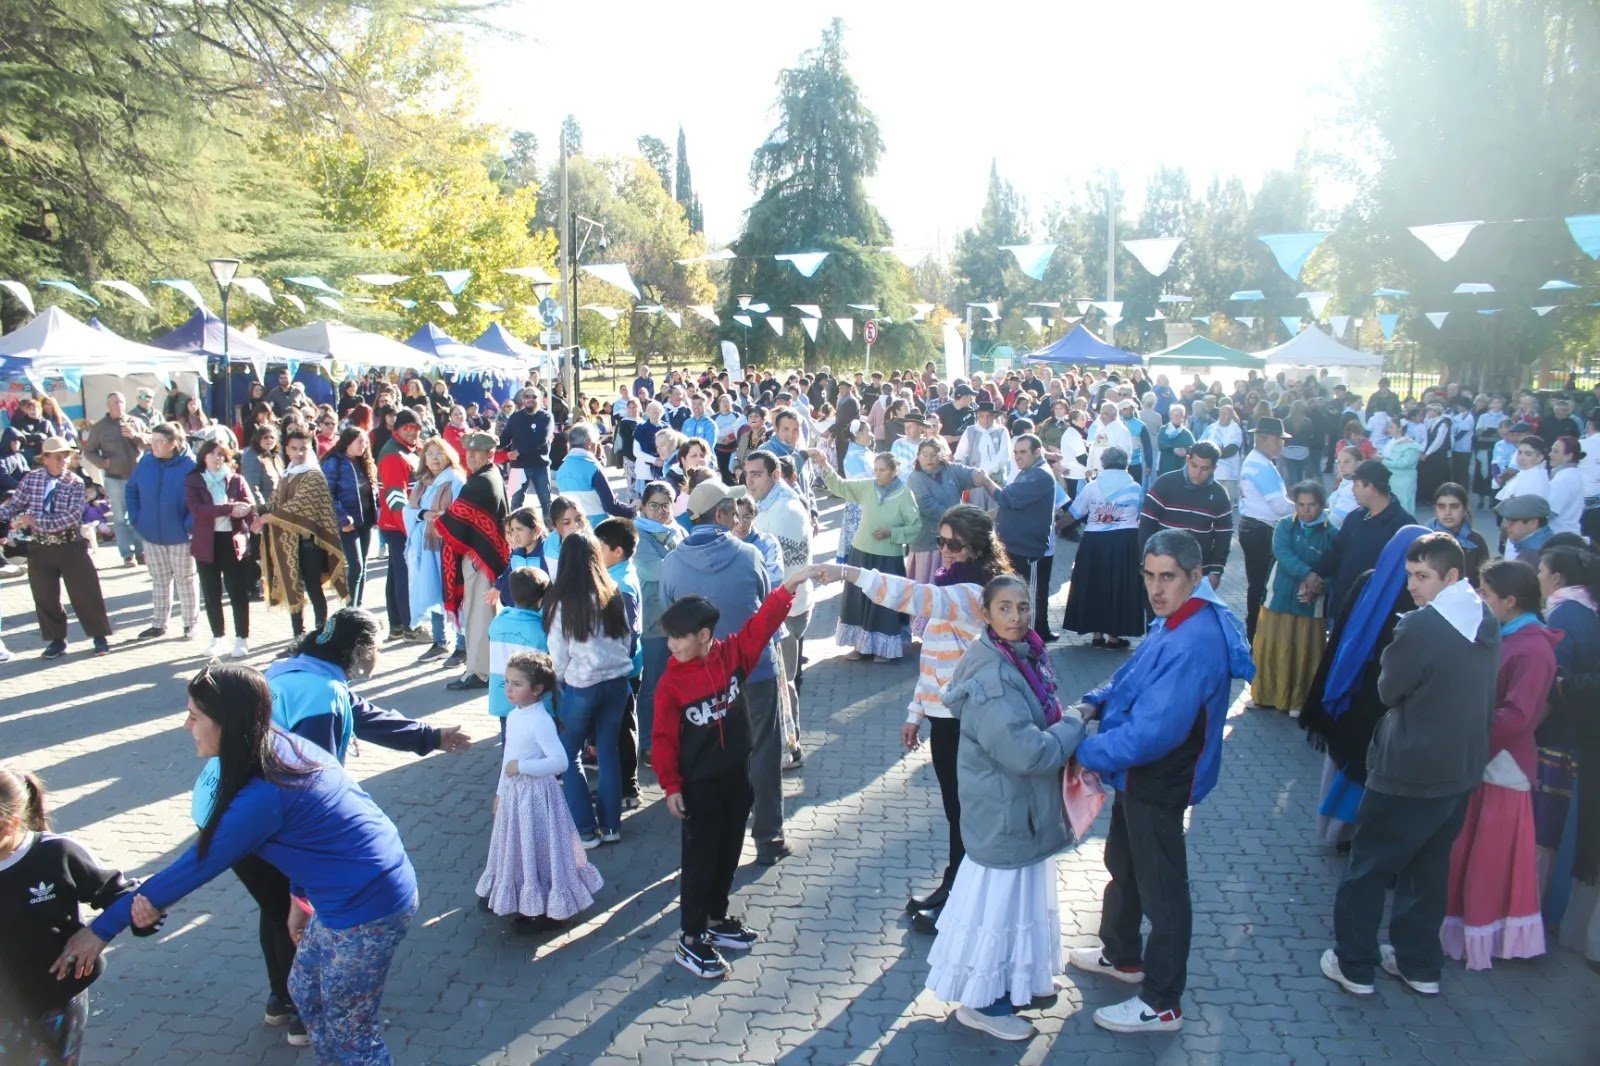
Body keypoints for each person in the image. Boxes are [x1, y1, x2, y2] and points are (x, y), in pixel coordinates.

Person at [57, 665, 423, 1063]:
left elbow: (194, 867)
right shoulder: (274, 746)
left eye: (194, 716)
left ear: (226, 723)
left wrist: (100, 931)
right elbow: (316, 836)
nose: (186, 726)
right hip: (351, 893)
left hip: (367, 909)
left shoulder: (264, 792)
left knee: (353, 1035)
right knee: (307, 993)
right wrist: (300, 899)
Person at [1068, 529, 1254, 1032]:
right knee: (1124, 864)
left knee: (1163, 891)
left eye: (1167, 577)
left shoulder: (1194, 638)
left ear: (1196, 577)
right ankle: (1122, 955)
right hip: (1139, 774)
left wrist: (1081, 750)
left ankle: (1161, 1002)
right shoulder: (1179, 618)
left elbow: (1153, 734)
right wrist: (1095, 700)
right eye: (1149, 575)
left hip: (1160, 777)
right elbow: (1134, 673)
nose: (1156, 588)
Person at [1322, 533, 1499, 998]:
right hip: (1460, 769)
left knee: (1368, 869)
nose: (1412, 586)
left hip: (1407, 768)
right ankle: (1418, 964)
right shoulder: (1484, 617)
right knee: (1428, 870)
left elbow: (1388, 690)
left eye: (1422, 576)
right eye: (1409, 575)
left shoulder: (1420, 626)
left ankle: (1353, 965)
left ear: (1452, 576)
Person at [821, 506, 1012, 934]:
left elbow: (913, 596)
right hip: (944, 719)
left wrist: (849, 573)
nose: (945, 550)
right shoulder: (951, 581)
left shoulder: (973, 593)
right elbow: (935, 658)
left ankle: (963, 898)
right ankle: (956, 886)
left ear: (979, 548)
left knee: (965, 814)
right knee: (957, 812)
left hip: (967, 724)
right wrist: (916, 711)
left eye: (955, 544)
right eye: (941, 541)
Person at [922, 574, 1085, 1041]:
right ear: (986, 614)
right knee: (997, 912)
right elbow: (1027, 753)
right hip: (1005, 815)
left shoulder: (1023, 656)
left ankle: (1019, 982)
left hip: (1021, 812)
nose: (1016, 617)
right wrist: (1076, 723)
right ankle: (983, 1005)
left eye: (1023, 607)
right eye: (1005, 608)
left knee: (1020, 905)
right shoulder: (993, 677)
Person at [653, 567, 813, 979]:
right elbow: (663, 739)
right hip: (698, 788)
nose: (671, 645)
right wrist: (671, 786)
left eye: (679, 638)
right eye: (669, 638)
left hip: (737, 779)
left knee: (727, 852)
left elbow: (762, 626)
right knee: (700, 861)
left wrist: (787, 589)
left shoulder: (732, 655)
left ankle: (715, 919)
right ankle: (691, 939)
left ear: (704, 636)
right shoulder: (670, 684)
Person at [660, 480, 791, 864]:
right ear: (719, 514)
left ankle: (713, 842)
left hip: (702, 681)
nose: (737, 516)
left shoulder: (671, 563)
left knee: (710, 758)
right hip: (754, 670)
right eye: (732, 510)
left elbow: (670, 617)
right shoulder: (749, 555)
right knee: (763, 751)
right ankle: (769, 838)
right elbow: (766, 604)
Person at [1439, 559, 1554, 970]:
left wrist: (1466, 725)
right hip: (1487, 759)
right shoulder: (1507, 635)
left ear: (1510, 601)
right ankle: (1465, 929)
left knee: (1489, 861)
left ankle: (1486, 937)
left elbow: (1518, 716)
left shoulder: (1534, 649)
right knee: (1469, 854)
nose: (1480, 600)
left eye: (1485, 594)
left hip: (1503, 767)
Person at [476, 650, 603, 933]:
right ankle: (518, 896)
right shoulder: (514, 715)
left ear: (537, 689)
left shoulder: (540, 721)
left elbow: (559, 762)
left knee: (542, 850)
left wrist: (522, 767)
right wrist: (500, 792)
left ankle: (554, 909)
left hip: (537, 797)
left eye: (517, 684)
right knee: (520, 847)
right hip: (515, 796)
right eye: (507, 682)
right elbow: (508, 758)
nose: (509, 689)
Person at [546, 532, 638, 848]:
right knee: (609, 750)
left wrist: (557, 682)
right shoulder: (612, 591)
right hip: (617, 682)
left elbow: (558, 654)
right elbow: (627, 638)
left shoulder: (562, 602)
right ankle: (611, 827)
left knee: (568, 752)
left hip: (582, 686)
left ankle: (585, 830)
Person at [0, 436, 113, 657]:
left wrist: (34, 521)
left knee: (86, 593)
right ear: (45, 459)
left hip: (70, 544)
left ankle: (99, 636)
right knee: (45, 596)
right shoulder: (31, 480)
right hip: (40, 547)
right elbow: (14, 506)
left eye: (66, 456)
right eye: (58, 457)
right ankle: (57, 640)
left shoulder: (74, 482)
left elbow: (70, 518)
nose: (63, 461)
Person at [813, 447, 920, 662]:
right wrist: (824, 465)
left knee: (884, 602)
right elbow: (841, 486)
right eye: (875, 469)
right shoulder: (867, 487)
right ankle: (860, 647)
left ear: (894, 471)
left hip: (888, 557)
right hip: (861, 553)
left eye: (882, 470)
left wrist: (891, 533)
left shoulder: (904, 494)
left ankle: (884, 650)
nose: (877, 474)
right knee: (859, 601)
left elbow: (915, 526)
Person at [745, 451, 814, 769]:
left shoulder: (785, 510)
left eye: (756, 474)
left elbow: (782, 571)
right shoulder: (770, 502)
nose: (749, 481)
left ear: (775, 475)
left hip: (786, 611)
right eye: (747, 474)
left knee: (783, 682)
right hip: (781, 608)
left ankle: (791, 748)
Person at [253, 426, 347, 642]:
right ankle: (298, 637)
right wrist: (254, 511)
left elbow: (297, 506)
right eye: (294, 448)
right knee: (292, 586)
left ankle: (322, 635)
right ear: (286, 450)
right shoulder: (288, 474)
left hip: (310, 542)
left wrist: (266, 518)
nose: (299, 453)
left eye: (303, 448)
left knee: (313, 588)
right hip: (289, 542)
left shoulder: (314, 474)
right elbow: (275, 502)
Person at [1248, 481, 1334, 712]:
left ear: (1321, 505)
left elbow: (1334, 568)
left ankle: (1299, 701)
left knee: (1303, 652)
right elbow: (1282, 554)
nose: (1306, 511)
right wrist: (1308, 574)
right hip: (1278, 597)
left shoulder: (1331, 533)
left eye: (1311, 505)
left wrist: (1318, 586)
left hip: (1310, 603)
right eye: (1301, 505)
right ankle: (1265, 695)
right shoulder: (1285, 525)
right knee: (1270, 648)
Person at [438, 432, 510, 692]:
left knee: (478, 616)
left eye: (476, 453)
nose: (470, 457)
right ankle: (480, 667)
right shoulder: (489, 475)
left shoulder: (480, 482)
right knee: (478, 614)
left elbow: (453, 518)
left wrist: (436, 517)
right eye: (468, 452)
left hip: (480, 559)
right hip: (483, 556)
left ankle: (480, 672)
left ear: (490, 454)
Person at [1305, 460, 1416, 617]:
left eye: (1356, 485)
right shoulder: (1355, 517)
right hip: (1342, 605)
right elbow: (1336, 550)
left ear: (1371, 488)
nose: (1352, 491)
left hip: (1374, 611)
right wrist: (1316, 573)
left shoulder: (1403, 526)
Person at [1060, 446, 1144, 649]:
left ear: (1104, 463)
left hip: (1094, 542)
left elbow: (1074, 513)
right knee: (1119, 586)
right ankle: (1114, 637)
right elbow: (1143, 516)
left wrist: (1056, 527)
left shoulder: (1092, 487)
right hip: (1124, 541)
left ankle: (1096, 634)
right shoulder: (1135, 488)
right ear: (1125, 464)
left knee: (1094, 584)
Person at [126, 422, 200, 641]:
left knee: (185, 579)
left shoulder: (190, 465)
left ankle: (190, 624)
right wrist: (137, 518)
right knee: (159, 579)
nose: (154, 445)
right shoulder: (146, 461)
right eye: (153, 440)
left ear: (173, 443)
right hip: (151, 534)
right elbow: (131, 489)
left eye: (160, 441)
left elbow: (199, 499)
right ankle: (159, 624)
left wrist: (189, 526)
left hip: (180, 537)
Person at [985, 433, 1061, 642]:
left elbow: (1006, 497)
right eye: (1015, 452)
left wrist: (985, 481)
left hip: (1027, 551)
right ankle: (1023, 639)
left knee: (1028, 598)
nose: (1018, 456)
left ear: (1037, 452)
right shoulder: (1028, 471)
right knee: (1015, 595)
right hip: (1015, 547)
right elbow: (1012, 505)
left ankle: (1033, 644)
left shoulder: (1040, 474)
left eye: (1023, 452)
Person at [185, 438, 255, 660]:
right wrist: (228, 509)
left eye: (222, 454)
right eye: (213, 454)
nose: (218, 458)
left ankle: (242, 637)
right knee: (211, 591)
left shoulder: (236, 479)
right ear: (203, 457)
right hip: (206, 542)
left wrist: (252, 517)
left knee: (237, 591)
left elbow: (249, 505)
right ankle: (218, 637)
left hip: (232, 542)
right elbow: (198, 509)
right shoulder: (194, 480)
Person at [632, 482, 684, 772]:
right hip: (653, 624)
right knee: (652, 686)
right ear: (643, 507)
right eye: (655, 505)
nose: (662, 511)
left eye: (667, 504)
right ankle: (648, 744)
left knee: (677, 684)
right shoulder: (639, 535)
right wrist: (686, 562)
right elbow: (653, 570)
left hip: (679, 622)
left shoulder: (678, 531)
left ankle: (674, 738)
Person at [406, 437, 467, 664]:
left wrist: (443, 518)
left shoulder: (455, 481)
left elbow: (461, 512)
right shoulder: (422, 483)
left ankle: (462, 645)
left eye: (439, 453)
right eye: (429, 454)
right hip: (425, 547)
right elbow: (409, 511)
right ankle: (439, 641)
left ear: (448, 455)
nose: (434, 458)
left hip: (447, 546)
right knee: (431, 590)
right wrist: (423, 515)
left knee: (453, 592)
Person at [1138, 441, 1232, 587]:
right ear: (1188, 460)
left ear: (1214, 468)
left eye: (1204, 468)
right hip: (1162, 569)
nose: (1197, 473)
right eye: (1194, 465)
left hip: (1198, 574)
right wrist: (1145, 563)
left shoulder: (1220, 494)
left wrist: (1216, 571)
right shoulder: (1164, 483)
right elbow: (1146, 527)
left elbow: (1223, 536)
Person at [1237, 416, 1296, 641]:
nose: (1281, 444)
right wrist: (1306, 509)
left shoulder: (1259, 460)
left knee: (1258, 584)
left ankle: (1255, 632)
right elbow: (1279, 506)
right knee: (1261, 586)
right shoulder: (1261, 465)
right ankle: (1256, 633)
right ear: (1262, 438)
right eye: (1278, 440)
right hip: (1260, 529)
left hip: (1255, 526)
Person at [79, 390, 147, 567]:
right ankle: (127, 554)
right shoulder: (100, 427)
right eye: (115, 402)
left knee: (138, 515)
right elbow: (89, 451)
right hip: (115, 478)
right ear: (108, 406)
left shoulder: (136, 422)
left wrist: (135, 435)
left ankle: (141, 551)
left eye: (122, 402)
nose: (119, 405)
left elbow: (150, 442)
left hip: (137, 477)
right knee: (120, 518)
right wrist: (103, 463)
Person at [376, 409, 423, 639]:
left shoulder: (407, 450)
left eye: (416, 428)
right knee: (405, 576)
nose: (412, 433)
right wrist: (409, 529)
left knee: (396, 574)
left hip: (399, 525)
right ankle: (410, 627)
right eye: (407, 428)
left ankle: (396, 625)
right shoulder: (394, 455)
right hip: (399, 526)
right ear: (397, 429)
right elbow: (396, 499)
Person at [488, 567, 551, 741]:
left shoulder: (497, 623)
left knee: (509, 743)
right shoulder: (541, 629)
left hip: (503, 697)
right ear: (542, 598)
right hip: (532, 702)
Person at [904, 439, 977, 586]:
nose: (929, 458)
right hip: (927, 543)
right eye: (924, 454)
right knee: (928, 586)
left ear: (941, 455)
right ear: (918, 457)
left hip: (953, 541)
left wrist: (984, 478)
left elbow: (973, 474)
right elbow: (927, 505)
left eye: (933, 454)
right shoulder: (915, 477)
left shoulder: (951, 470)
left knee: (952, 585)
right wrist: (957, 520)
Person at [322, 426, 380, 614]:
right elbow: (327, 494)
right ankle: (351, 608)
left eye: (366, 442)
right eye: (360, 441)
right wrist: (342, 518)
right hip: (347, 523)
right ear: (348, 442)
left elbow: (372, 490)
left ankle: (357, 605)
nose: (364, 445)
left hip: (366, 520)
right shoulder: (334, 462)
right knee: (356, 566)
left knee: (363, 565)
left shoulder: (363, 462)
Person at [554, 422, 635, 527]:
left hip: (572, 527)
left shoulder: (562, 468)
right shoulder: (592, 467)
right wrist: (632, 511)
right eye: (597, 442)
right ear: (589, 443)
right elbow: (610, 506)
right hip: (597, 526)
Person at [953, 402, 1013, 510]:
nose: (985, 420)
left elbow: (1004, 455)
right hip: (975, 482)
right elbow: (960, 456)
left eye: (989, 416)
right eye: (981, 416)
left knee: (996, 512)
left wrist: (986, 472)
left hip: (996, 481)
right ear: (977, 416)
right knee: (976, 513)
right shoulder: (969, 431)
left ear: (994, 416)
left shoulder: (1001, 431)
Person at [1428, 482, 1489, 585]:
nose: (1447, 512)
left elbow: (1485, 582)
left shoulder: (1475, 541)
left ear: (1464, 509)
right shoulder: (1425, 539)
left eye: (1454, 506)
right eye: (1441, 507)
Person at [833, 421, 876, 564]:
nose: (871, 435)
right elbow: (862, 483)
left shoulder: (863, 451)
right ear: (857, 434)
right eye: (868, 431)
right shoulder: (853, 456)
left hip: (868, 503)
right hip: (860, 506)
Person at [1200, 404, 1244, 501]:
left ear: (1231, 416)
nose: (1222, 416)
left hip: (1229, 474)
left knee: (1227, 502)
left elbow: (1231, 450)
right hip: (1212, 472)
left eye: (1225, 414)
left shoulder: (1236, 429)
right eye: (1221, 413)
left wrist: (1211, 452)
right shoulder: (1211, 428)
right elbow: (1201, 444)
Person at [1497, 494, 1553, 569]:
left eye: (1512, 521)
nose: (1505, 526)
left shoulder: (1530, 558)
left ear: (1533, 523)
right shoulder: (1548, 544)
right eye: (1506, 520)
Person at [1548, 435, 1584, 537]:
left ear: (1569, 456)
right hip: (1564, 533)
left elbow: (1551, 511)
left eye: (1556, 451)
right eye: (1551, 450)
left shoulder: (1565, 477)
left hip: (1560, 535)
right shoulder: (1570, 474)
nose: (1550, 454)